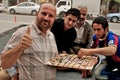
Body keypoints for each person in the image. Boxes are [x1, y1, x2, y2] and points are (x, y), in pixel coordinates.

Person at [1, 2, 58, 80]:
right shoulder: (22, 33)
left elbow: (52, 63)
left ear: (54, 19)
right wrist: (20, 47)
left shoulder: (51, 36)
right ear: (37, 14)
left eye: (50, 16)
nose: (46, 18)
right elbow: (4, 64)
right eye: (43, 13)